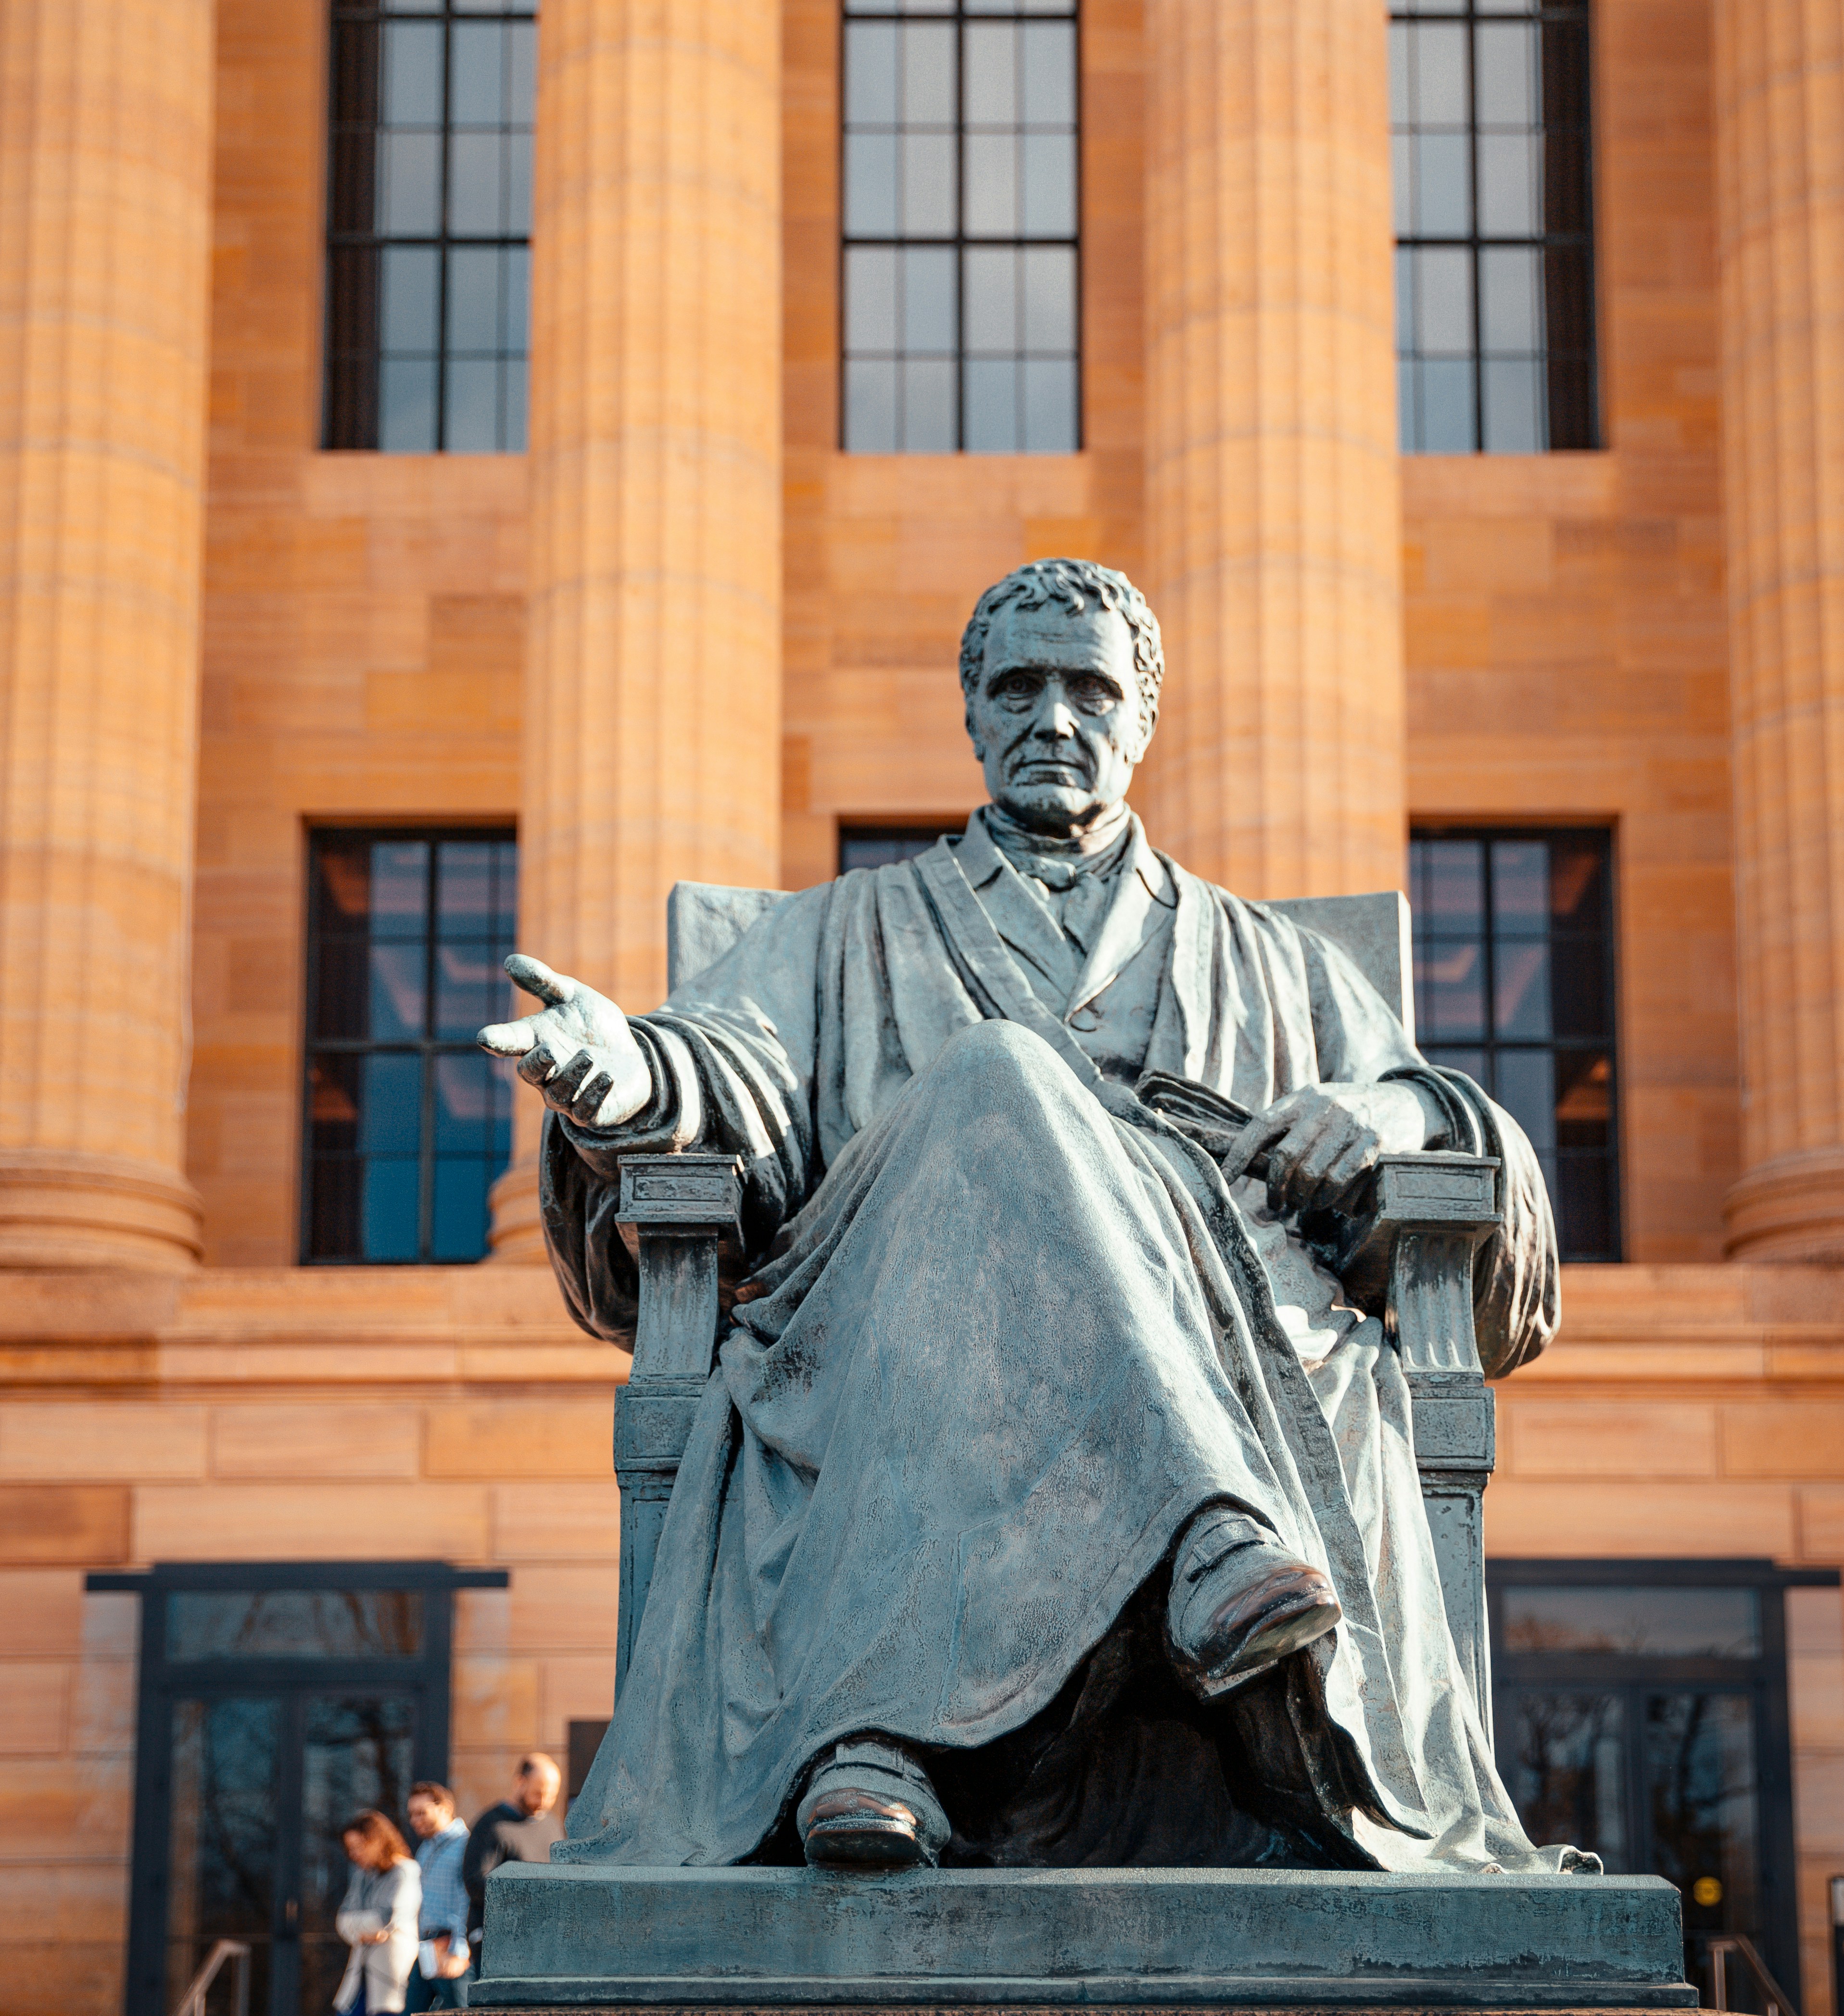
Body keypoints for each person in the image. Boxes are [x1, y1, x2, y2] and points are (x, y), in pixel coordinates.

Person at [482, 559, 1572, 1877]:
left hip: (1219, 1318)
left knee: (1003, 1080)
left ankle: (877, 1745)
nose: (1053, 718)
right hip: (900, 1326)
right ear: (972, 712)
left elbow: (1473, 1144)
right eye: (1018, 687)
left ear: (1143, 718)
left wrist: (1393, 1118)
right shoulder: (848, 934)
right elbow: (729, 1071)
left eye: (1090, 688)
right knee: (999, 1078)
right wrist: (627, 1077)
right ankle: (1209, 1542)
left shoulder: (1272, 960)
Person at [463, 1754, 563, 1967]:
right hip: (497, 1942)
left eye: (551, 1796)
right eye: (538, 1793)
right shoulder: (491, 1825)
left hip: (542, 1941)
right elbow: (476, 1883)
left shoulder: (552, 1826)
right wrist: (528, 1893)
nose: (544, 1802)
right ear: (520, 1782)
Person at [331, 1810, 420, 2016]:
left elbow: (387, 1917)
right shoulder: (363, 1875)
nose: (355, 1854)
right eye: (350, 1849)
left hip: (391, 1975)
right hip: (359, 1974)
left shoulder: (405, 1871)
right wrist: (361, 1934)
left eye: (359, 1847)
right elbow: (342, 1919)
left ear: (378, 1841)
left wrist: (359, 1926)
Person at [403, 1783, 469, 2012]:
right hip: (427, 1946)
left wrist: (460, 1950)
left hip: (450, 1946)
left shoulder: (465, 1845)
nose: (415, 1820)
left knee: (460, 2010)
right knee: (411, 2009)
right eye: (412, 1814)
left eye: (422, 1812)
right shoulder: (426, 1848)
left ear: (446, 1809)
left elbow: (466, 1901)